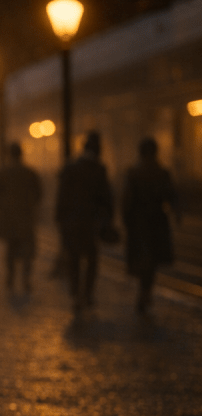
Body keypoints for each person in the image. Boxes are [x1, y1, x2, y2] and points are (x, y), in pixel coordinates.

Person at [55, 131, 115, 313]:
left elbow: (61, 196)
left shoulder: (70, 167)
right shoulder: (99, 169)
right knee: (91, 259)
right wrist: (107, 221)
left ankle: (75, 294)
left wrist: (59, 218)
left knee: (73, 258)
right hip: (90, 223)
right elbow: (107, 199)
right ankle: (87, 294)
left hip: (71, 222)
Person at [121, 137, 181, 314]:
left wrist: (127, 219)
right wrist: (176, 213)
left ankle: (144, 292)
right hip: (157, 222)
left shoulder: (133, 173)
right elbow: (172, 195)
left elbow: (127, 199)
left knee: (143, 258)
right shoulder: (162, 173)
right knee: (152, 260)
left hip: (139, 222)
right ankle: (145, 292)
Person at [0, 143, 42, 292]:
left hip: (9, 219)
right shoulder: (29, 172)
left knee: (11, 250)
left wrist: (3, 207)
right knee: (27, 251)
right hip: (26, 218)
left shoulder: (4, 172)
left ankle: (11, 279)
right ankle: (26, 280)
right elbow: (38, 194)